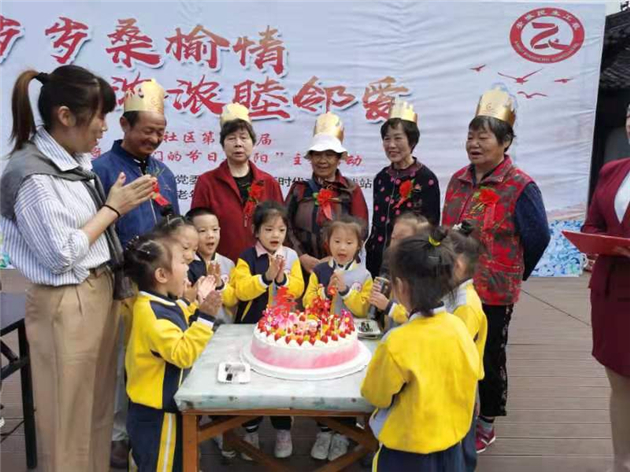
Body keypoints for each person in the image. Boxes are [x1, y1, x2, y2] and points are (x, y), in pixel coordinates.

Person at [0, 65, 156, 472]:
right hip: (66, 302)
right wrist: (113, 208)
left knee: (97, 412)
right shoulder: (32, 175)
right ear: (65, 116)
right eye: (99, 116)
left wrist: (114, 205)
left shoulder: (74, 160)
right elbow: (61, 254)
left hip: (97, 290)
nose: (104, 126)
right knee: (67, 421)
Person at [442, 86, 551, 453]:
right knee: (453, 349)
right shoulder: (458, 180)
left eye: (483, 137)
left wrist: (513, 272)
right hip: (453, 285)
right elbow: (447, 228)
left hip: (493, 290)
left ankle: (486, 420)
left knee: (488, 355)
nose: (474, 144)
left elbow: (538, 236)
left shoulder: (520, 186)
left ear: (505, 142)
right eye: (470, 136)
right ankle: (455, 410)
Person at [92, 78, 177, 469]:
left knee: (158, 356)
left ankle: (155, 427)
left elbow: (175, 227)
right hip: (120, 284)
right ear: (124, 125)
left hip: (163, 285)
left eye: (160, 132)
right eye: (148, 131)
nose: (155, 139)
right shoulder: (101, 171)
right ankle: (117, 436)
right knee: (122, 360)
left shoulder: (165, 172)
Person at [360, 229, 481, 471]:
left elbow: (376, 395)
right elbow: (473, 373)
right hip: (451, 446)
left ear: (401, 287)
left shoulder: (397, 342)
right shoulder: (459, 327)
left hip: (406, 451)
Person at [124, 233, 221, 472]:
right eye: (182, 262)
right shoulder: (154, 317)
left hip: (160, 410)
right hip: (157, 415)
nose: (188, 267)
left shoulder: (159, 303)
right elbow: (182, 353)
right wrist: (206, 318)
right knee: (163, 465)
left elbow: (180, 316)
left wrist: (194, 303)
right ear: (162, 275)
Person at [231, 201, 304, 459]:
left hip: (282, 331)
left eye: (281, 230)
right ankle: (250, 430)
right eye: (269, 229)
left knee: (280, 381)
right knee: (250, 380)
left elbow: (298, 289)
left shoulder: (291, 256)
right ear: (256, 230)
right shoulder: (246, 257)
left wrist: (282, 278)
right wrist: (265, 278)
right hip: (251, 327)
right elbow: (241, 291)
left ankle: (283, 430)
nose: (276, 235)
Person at [303, 216, 372, 461]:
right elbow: (307, 302)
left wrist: (345, 291)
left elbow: (363, 309)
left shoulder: (364, 275)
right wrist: (324, 292)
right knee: (322, 385)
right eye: (337, 241)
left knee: (347, 385)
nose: (342, 247)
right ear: (328, 242)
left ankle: (343, 433)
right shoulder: (320, 270)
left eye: (349, 242)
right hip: (322, 338)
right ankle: (324, 431)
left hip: (349, 340)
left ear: (359, 245)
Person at [582, 151, 630, 472]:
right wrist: (602, 242)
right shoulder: (612, 170)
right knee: (620, 381)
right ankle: (622, 463)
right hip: (611, 290)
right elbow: (592, 224)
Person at [191, 103, 283, 263]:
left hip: (263, 267)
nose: (238, 143)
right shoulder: (207, 182)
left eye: (244, 137)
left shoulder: (269, 183)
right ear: (223, 144)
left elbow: (281, 226)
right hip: (220, 266)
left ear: (253, 143)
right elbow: (196, 227)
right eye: (231, 138)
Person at [285, 112, 368, 277]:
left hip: (341, 270)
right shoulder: (299, 189)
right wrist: (301, 256)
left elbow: (361, 231)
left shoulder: (351, 190)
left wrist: (335, 257)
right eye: (317, 154)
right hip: (301, 270)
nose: (322, 160)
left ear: (338, 159)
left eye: (329, 155)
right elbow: (285, 225)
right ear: (311, 157)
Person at [365, 99, 441, 277]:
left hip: (408, 261)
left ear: (412, 141)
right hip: (376, 258)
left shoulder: (426, 179)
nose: (391, 145)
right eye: (387, 139)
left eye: (398, 138)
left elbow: (431, 226)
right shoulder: (381, 178)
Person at [443, 221, 488, 471]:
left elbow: (455, 350)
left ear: (457, 265)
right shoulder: (452, 290)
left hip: (458, 382)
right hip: (451, 380)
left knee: (459, 439)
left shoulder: (466, 305)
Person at [368, 213, 430, 327]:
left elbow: (418, 318)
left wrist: (389, 307)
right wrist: (380, 298)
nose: (395, 244)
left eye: (401, 238)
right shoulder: (393, 268)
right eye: (393, 238)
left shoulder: (420, 278)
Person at [186, 207, 238, 324]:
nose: (210, 235)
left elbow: (234, 301)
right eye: (202, 231)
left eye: (215, 229)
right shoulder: (186, 265)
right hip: (197, 327)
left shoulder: (228, 263)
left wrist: (220, 284)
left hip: (225, 327)